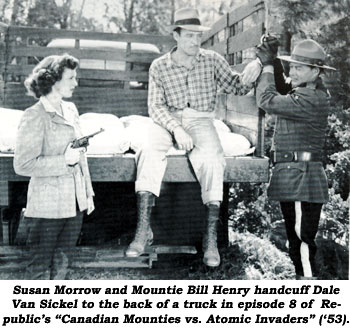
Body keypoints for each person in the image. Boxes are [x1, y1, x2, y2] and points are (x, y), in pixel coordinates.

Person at [125, 7, 261, 267]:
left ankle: (209, 239)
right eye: (188, 36)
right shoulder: (159, 66)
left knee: (212, 159)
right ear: (175, 36)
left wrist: (256, 67)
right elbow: (155, 107)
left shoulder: (211, 60)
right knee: (148, 150)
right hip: (167, 119)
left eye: (198, 36)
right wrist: (176, 129)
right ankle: (143, 230)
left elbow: (237, 85)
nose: (195, 42)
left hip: (201, 119)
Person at [254, 37, 336, 279]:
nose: (294, 71)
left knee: (301, 241)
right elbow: (284, 86)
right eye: (292, 66)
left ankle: (307, 288)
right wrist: (276, 62)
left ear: (316, 70)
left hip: (302, 178)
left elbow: (267, 99)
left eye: (300, 67)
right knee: (297, 239)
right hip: (296, 174)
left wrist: (268, 66)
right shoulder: (307, 91)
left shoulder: (311, 98)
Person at [14, 54, 95, 280]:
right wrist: (64, 160)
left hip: (74, 202)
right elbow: (23, 164)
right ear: (54, 81)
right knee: (39, 266)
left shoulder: (70, 110)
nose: (75, 83)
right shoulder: (34, 116)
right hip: (47, 206)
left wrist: (87, 193)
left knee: (63, 263)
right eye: (71, 78)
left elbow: (79, 159)